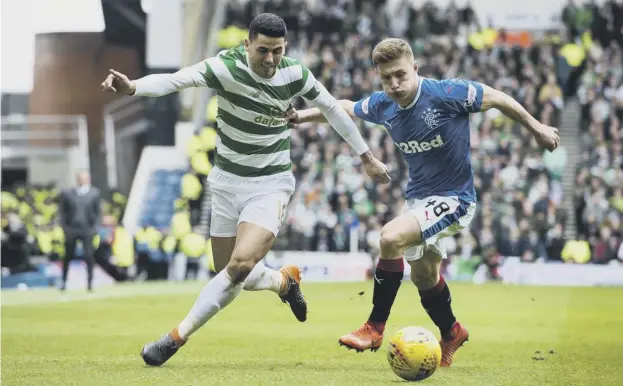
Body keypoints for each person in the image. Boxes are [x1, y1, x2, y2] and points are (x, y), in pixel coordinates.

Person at [101, 13, 390, 366]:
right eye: (263, 51)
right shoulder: (225, 67)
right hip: (225, 183)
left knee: (238, 267)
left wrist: (366, 156)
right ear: (247, 45)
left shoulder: (295, 73)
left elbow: (331, 108)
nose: (270, 60)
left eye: (278, 51)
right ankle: (283, 283)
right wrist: (133, 87)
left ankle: (174, 338)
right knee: (233, 274)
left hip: (270, 184)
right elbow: (176, 80)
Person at [294, 38, 559, 367]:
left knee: (390, 237)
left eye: (401, 75)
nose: (394, 84)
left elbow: (498, 98)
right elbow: (344, 107)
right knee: (423, 277)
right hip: (419, 200)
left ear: (415, 68)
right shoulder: (383, 104)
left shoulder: (447, 93)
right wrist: (300, 117)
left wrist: (536, 128)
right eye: (386, 77)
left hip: (455, 198)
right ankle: (452, 331)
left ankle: (374, 328)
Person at [58, 170, 102, 291]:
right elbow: (62, 212)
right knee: (68, 256)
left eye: (85, 178)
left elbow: (98, 212)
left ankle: (90, 283)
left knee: (89, 256)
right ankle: (63, 281)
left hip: (87, 229)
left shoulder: (94, 193)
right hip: (72, 229)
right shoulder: (68, 193)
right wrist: (65, 227)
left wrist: (95, 228)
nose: (83, 180)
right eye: (81, 178)